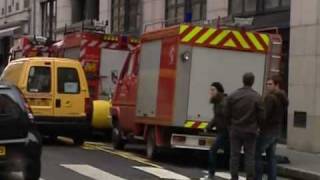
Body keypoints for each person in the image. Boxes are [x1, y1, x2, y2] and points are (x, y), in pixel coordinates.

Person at [225, 72, 264, 180]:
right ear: (253, 82)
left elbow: (226, 113)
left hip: (235, 129)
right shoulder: (257, 97)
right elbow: (261, 116)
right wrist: (259, 127)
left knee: (234, 156)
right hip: (251, 131)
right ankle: (250, 177)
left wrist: (230, 126)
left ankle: (234, 177)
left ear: (243, 80)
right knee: (249, 156)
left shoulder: (233, 95)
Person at [255, 75, 289, 180]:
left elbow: (264, 115)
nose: (267, 86)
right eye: (267, 84)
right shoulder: (283, 98)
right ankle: (272, 178)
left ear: (276, 85)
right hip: (276, 132)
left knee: (256, 154)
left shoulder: (270, 98)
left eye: (270, 84)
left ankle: (257, 177)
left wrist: (257, 126)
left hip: (267, 131)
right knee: (271, 157)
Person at [206, 82, 230, 180]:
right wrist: (209, 126)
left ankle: (211, 174)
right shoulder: (217, 102)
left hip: (226, 132)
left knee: (213, 150)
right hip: (223, 131)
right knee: (229, 154)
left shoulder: (223, 103)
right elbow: (217, 117)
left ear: (218, 91)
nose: (211, 92)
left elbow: (227, 117)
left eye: (213, 90)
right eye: (210, 89)